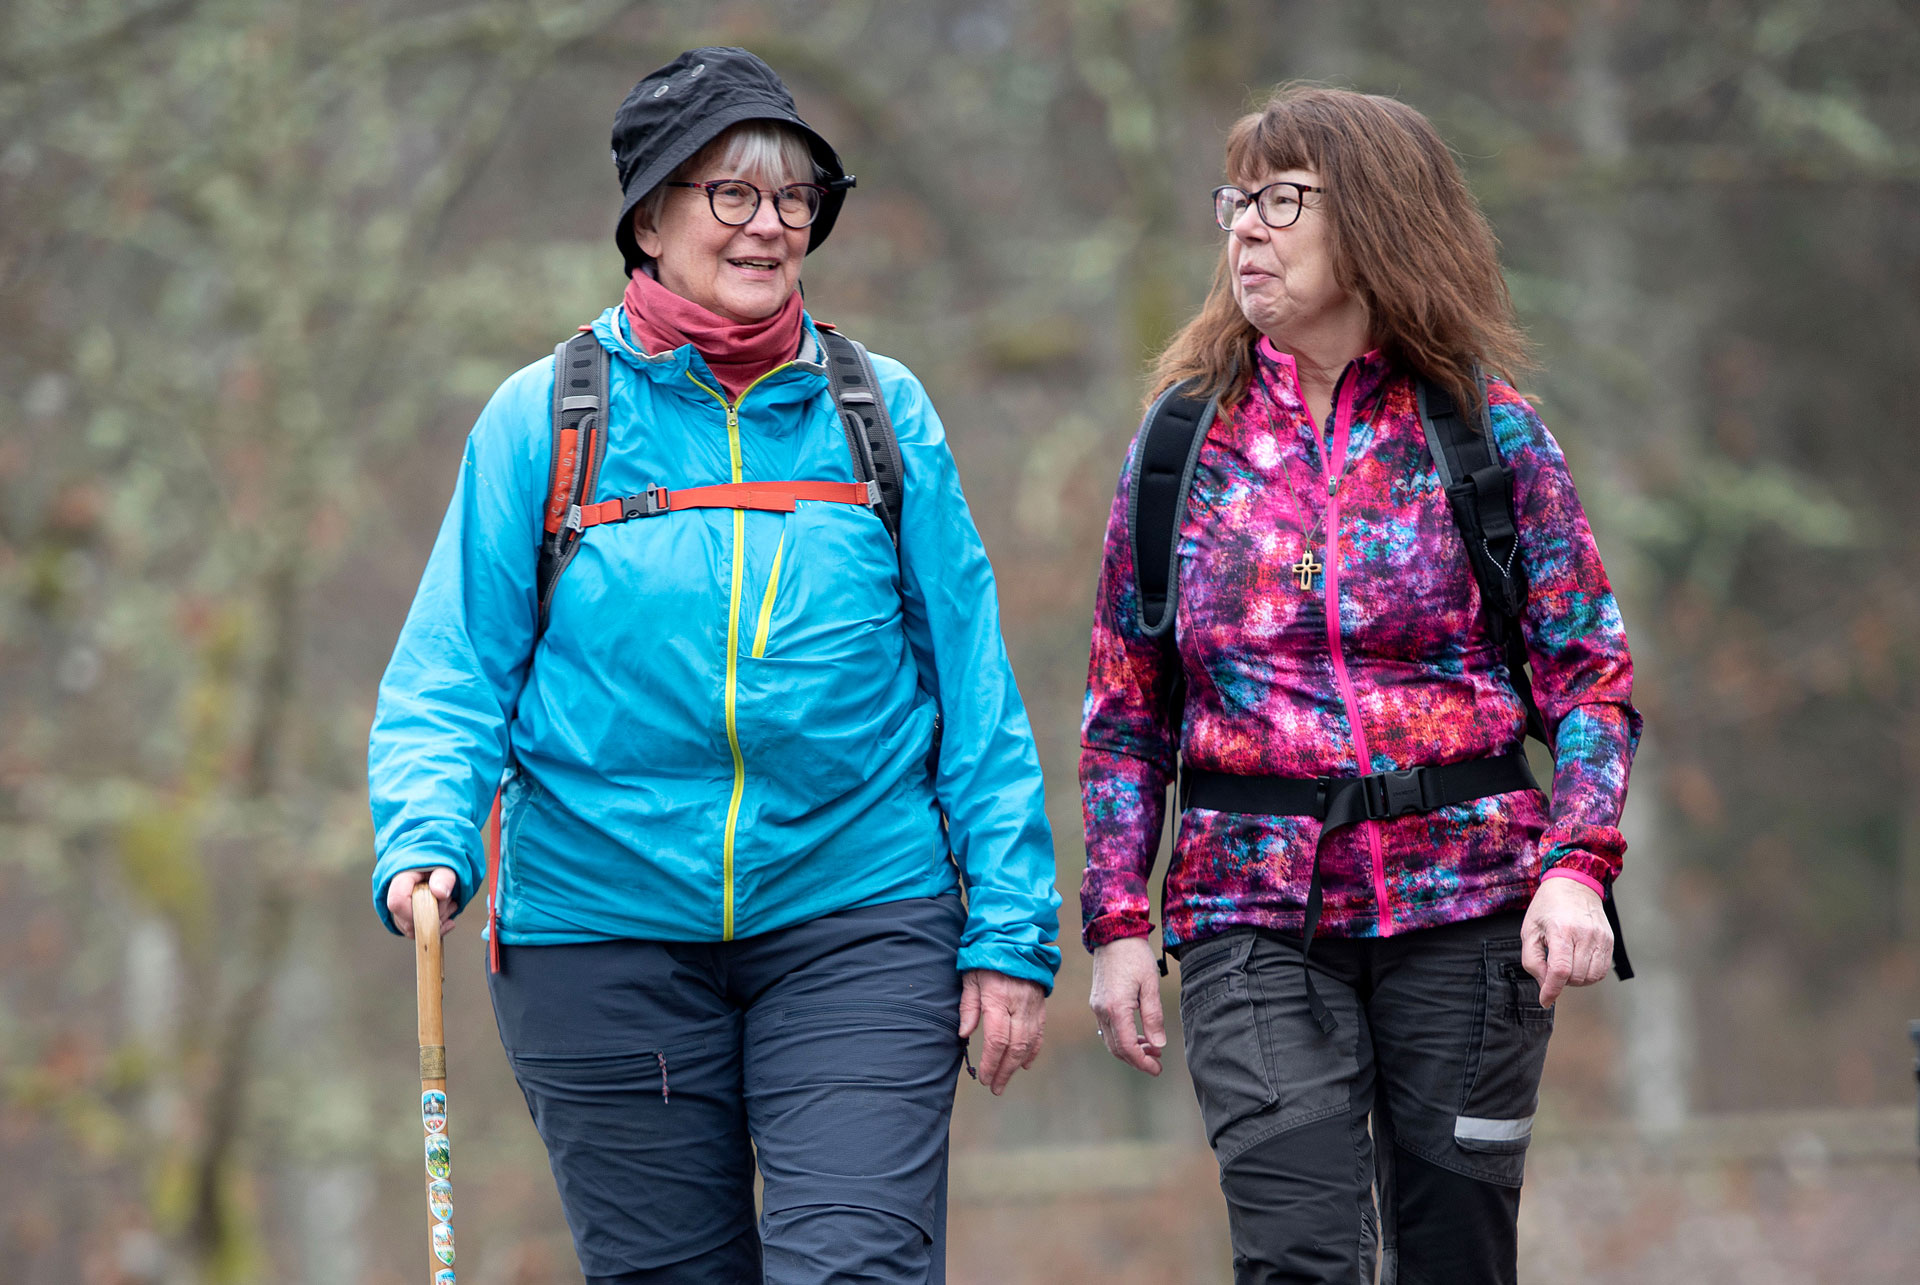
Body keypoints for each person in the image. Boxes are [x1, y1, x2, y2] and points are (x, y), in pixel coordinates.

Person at [368, 47, 1059, 1285]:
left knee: (852, 1266)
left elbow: (976, 690)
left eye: (793, 199)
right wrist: (428, 832)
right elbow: (451, 669)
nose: (769, 226)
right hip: (600, 927)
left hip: (860, 909)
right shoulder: (547, 416)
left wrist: (1010, 930)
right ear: (649, 217)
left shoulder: (879, 411)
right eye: (730, 195)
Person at [1080, 85, 1640, 1284]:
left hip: (1471, 907)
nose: (1244, 229)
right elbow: (1127, 711)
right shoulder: (1183, 444)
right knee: (1299, 1258)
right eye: (1236, 201)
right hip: (1249, 912)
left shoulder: (1489, 437)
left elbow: (1589, 672)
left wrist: (1579, 865)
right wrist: (1119, 922)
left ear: (1379, 219)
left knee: (1456, 1260)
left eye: (1283, 200)